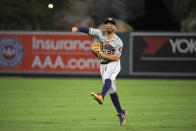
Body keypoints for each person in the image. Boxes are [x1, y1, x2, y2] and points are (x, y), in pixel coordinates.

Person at [72, 17, 127, 126]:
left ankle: (101, 95)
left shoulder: (118, 41)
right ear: (105, 26)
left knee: (108, 79)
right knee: (112, 91)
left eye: (112, 24)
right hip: (102, 65)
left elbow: (116, 57)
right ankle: (121, 112)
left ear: (115, 27)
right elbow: (87, 30)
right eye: (107, 24)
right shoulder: (99, 33)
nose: (109, 25)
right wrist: (77, 28)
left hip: (114, 63)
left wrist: (102, 54)